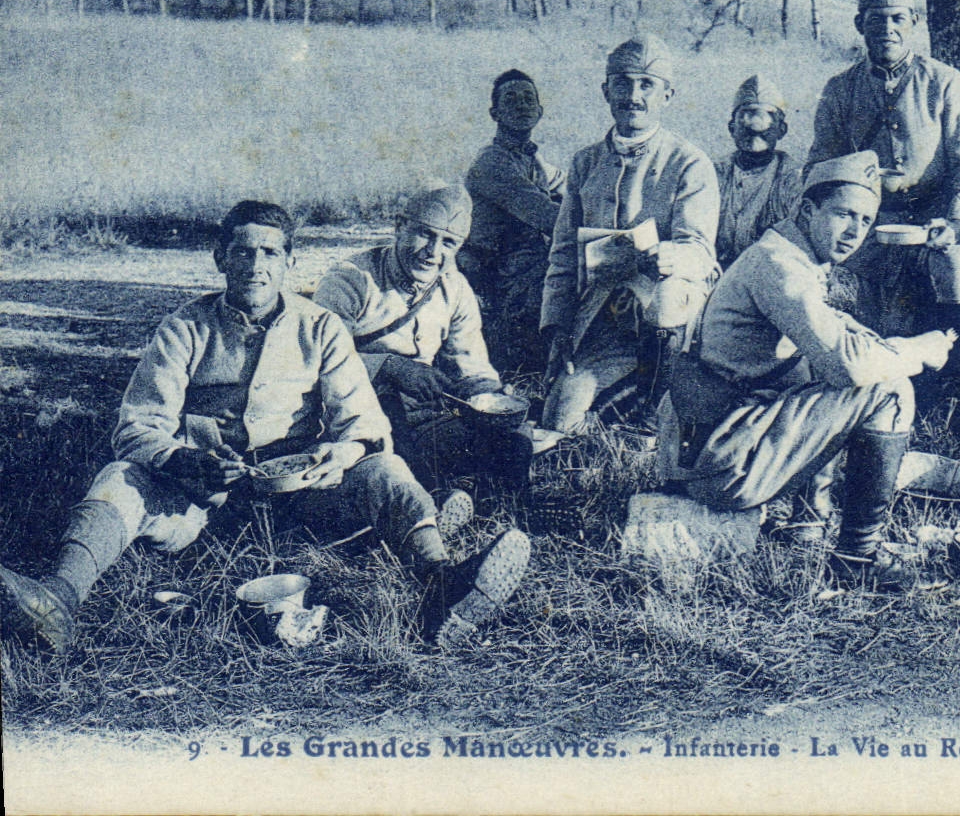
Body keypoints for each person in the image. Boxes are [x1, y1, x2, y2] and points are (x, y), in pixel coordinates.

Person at [0, 201, 530, 654]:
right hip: (201, 501)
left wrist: (339, 455)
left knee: (385, 467)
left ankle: (441, 581)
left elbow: (364, 423)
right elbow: (137, 427)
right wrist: (181, 460)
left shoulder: (319, 327)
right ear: (220, 259)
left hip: (302, 498)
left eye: (271, 253)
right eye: (243, 252)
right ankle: (58, 598)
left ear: (290, 262)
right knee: (120, 477)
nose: (256, 266)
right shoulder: (184, 328)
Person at [659, 151, 955, 591]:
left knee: (827, 372)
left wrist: (889, 345)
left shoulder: (788, 256)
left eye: (865, 220)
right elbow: (847, 364)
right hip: (718, 461)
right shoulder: (779, 266)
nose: (854, 231)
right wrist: (918, 351)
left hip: (706, 444)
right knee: (888, 389)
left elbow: (836, 345)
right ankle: (858, 556)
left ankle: (808, 524)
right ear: (807, 210)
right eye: (843, 214)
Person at [804, 0, 960, 377]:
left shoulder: (944, 82)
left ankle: (959, 380)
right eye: (876, 20)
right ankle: (868, 378)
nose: (887, 29)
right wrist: (852, 195)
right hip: (868, 220)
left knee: (955, 267)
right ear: (860, 24)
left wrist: (956, 224)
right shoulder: (840, 89)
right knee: (833, 287)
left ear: (914, 22)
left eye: (897, 18)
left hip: (936, 218)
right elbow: (818, 172)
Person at [535, 34, 721, 445]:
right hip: (605, 320)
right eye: (622, 83)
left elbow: (700, 251)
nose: (633, 96)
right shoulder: (586, 162)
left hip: (674, 321)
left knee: (668, 297)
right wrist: (558, 330)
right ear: (606, 91)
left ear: (667, 95)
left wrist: (670, 257)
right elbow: (563, 256)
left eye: (646, 85)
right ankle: (619, 403)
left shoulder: (689, 162)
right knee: (560, 419)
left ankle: (652, 418)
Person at [314, 183, 533, 498]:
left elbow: (470, 365)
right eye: (425, 234)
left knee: (514, 441)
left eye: (448, 243)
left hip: (428, 422)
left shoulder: (455, 290)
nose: (433, 252)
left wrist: (490, 396)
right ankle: (432, 501)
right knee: (394, 441)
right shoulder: (351, 280)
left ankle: (493, 508)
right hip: (358, 423)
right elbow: (316, 360)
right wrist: (390, 367)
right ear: (399, 226)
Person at [460, 69, 567, 370]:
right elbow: (550, 218)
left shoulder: (533, 158)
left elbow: (571, 185)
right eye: (511, 99)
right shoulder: (492, 162)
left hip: (524, 261)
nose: (522, 105)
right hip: (494, 270)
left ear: (540, 111)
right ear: (494, 113)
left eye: (528, 99)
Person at [714, 74, 802, 269]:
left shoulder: (793, 180)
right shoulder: (714, 174)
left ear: (782, 130)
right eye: (746, 116)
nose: (755, 126)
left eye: (767, 118)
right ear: (732, 128)